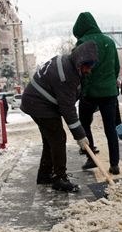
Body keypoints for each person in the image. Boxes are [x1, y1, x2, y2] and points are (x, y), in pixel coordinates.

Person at [20, 41, 98, 192]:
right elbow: (68, 109)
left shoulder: (70, 64)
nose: (89, 70)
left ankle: (45, 174)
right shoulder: (66, 75)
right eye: (87, 66)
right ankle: (59, 178)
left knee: (50, 140)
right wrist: (80, 136)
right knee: (58, 138)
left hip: (37, 101)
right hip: (39, 104)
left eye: (91, 66)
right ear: (80, 61)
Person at [73, 12, 121, 175]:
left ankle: (91, 158)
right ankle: (114, 164)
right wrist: (109, 83)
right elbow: (116, 68)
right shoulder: (109, 42)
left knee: (85, 124)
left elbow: (82, 70)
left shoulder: (83, 42)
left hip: (90, 92)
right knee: (110, 129)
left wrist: (84, 90)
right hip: (109, 93)